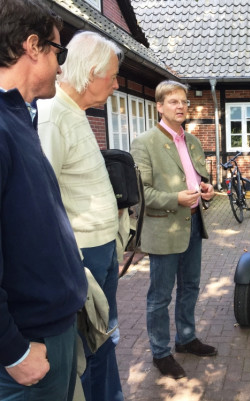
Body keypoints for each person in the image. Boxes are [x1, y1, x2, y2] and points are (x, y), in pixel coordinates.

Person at [0, 1, 88, 400]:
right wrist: (14, 351)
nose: (61, 67)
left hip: (51, 328)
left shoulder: (19, 118)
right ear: (32, 46)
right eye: (59, 52)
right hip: (29, 343)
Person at [37, 31, 125, 401]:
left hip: (101, 252)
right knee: (89, 349)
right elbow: (44, 200)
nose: (117, 84)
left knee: (104, 340)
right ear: (91, 74)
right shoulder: (53, 115)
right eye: (113, 76)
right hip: (83, 257)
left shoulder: (75, 112)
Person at [131, 80, 216, 379]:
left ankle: (186, 338)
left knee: (191, 287)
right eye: (173, 102)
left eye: (184, 102)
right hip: (164, 228)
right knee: (160, 296)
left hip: (193, 223)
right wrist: (175, 199)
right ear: (159, 106)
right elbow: (142, 195)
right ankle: (161, 352)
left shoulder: (192, 141)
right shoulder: (144, 143)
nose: (180, 107)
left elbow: (199, 177)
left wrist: (206, 188)